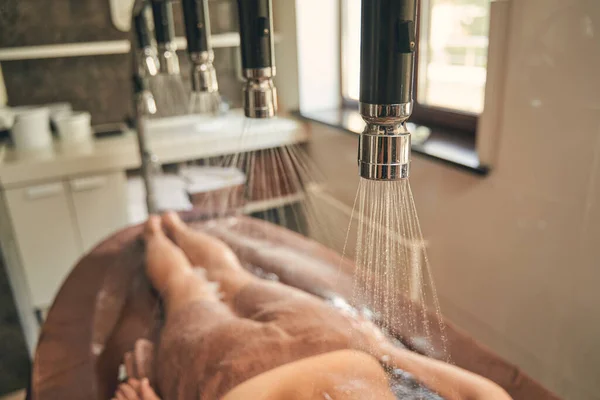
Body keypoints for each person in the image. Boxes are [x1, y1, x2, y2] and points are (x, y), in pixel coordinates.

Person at [112, 213, 511, 400]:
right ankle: (172, 230)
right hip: (325, 339)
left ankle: (159, 230)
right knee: (210, 283)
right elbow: (489, 395)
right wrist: (385, 348)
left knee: (201, 284)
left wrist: (382, 353)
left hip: (244, 365)